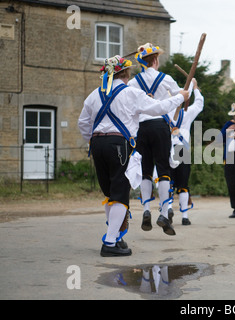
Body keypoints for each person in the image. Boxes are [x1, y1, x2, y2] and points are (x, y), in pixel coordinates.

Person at [78, 55, 189, 257]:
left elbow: (83, 123)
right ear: (126, 73)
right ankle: (110, 242)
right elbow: (159, 108)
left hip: (97, 143)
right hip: (118, 144)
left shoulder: (94, 94)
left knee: (110, 193)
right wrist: (181, 96)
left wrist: (93, 141)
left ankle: (117, 237)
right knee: (120, 192)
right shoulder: (131, 93)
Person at [128, 43, 192, 236]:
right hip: (160, 126)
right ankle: (164, 213)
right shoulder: (166, 79)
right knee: (163, 169)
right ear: (155, 60)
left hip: (142, 128)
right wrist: (187, 93)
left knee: (145, 170)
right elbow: (183, 98)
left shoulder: (132, 82)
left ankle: (146, 210)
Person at [167, 79, 204, 225]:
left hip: (167, 148)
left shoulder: (164, 112)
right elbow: (200, 103)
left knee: (167, 182)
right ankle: (185, 216)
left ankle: (168, 209)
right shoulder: (187, 114)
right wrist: (196, 88)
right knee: (183, 184)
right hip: (182, 149)